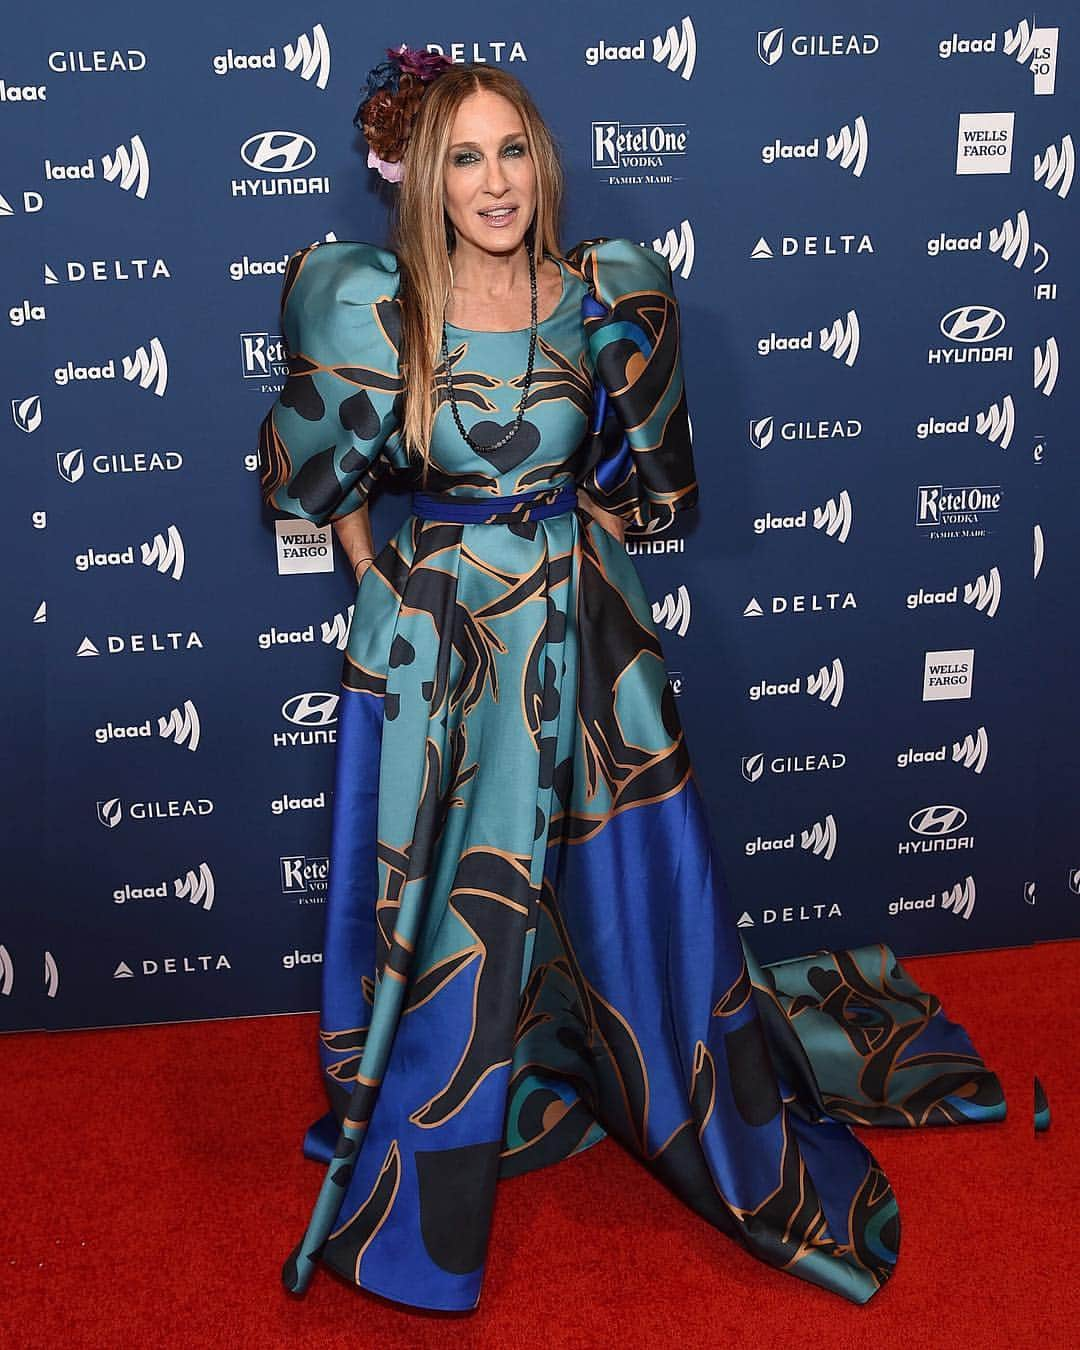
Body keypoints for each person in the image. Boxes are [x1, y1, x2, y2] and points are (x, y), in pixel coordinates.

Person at [259, 51, 1005, 1313]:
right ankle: (435, 1135)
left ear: (540, 161)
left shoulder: (610, 292)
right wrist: (379, 576)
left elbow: (647, 484)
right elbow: (320, 478)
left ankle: (662, 1075)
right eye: (463, 158)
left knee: (630, 886)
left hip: (584, 636)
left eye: (511, 152)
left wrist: (579, 545)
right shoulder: (370, 304)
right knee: (450, 915)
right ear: (421, 180)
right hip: (439, 647)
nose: (494, 182)